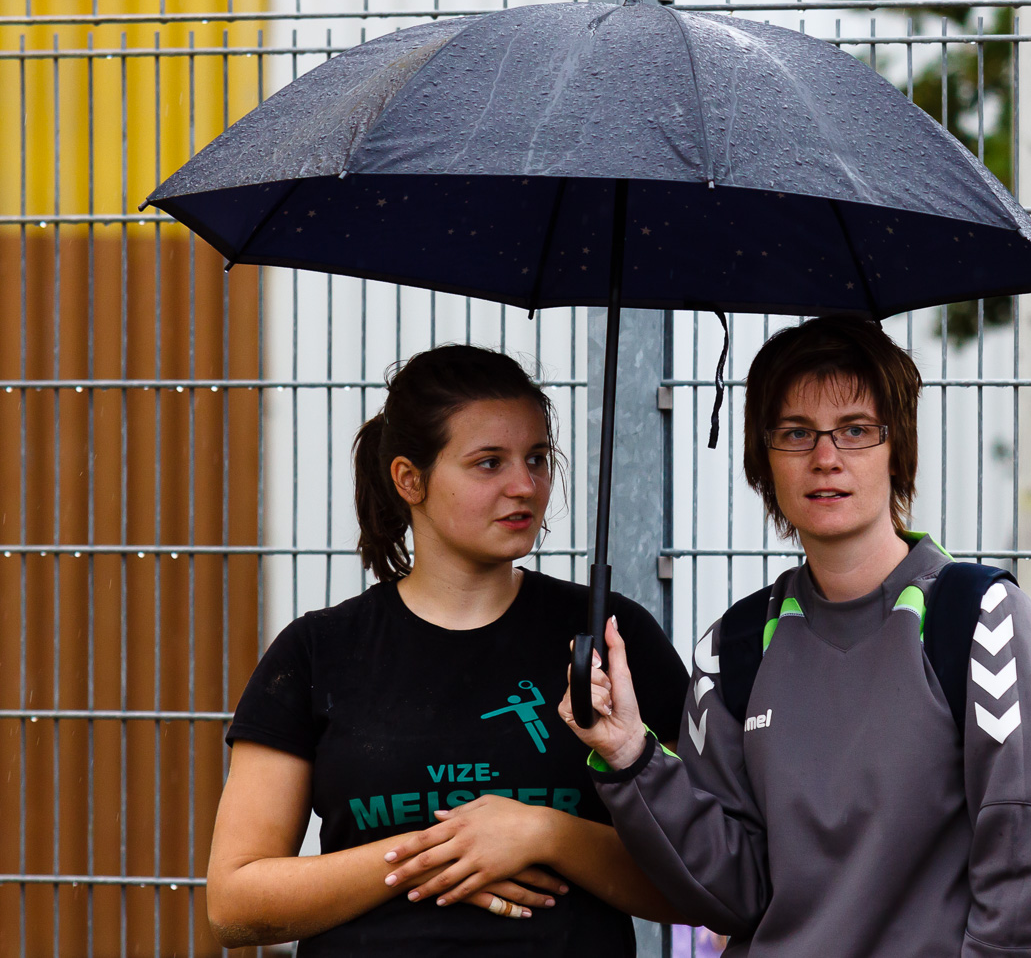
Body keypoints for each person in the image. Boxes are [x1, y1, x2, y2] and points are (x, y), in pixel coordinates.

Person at [560, 316, 1031, 958]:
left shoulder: (983, 621)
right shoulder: (733, 649)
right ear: (764, 458)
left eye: (856, 430)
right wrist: (629, 757)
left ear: (899, 448)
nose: (826, 458)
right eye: (796, 434)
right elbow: (729, 896)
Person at [206, 344, 690, 956]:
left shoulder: (613, 637)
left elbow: (696, 882)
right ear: (410, 479)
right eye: (489, 463)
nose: (525, 485)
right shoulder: (318, 650)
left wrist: (545, 834)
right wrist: (440, 854)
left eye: (537, 458)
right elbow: (234, 903)